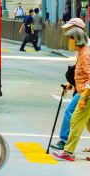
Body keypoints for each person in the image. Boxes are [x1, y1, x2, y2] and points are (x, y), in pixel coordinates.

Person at [51, 18, 90, 152]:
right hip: (82, 88)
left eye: (70, 30)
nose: (67, 34)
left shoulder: (86, 50)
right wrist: (72, 83)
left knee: (73, 117)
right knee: (87, 120)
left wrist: (84, 96)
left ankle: (66, 147)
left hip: (86, 91)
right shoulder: (80, 48)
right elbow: (81, 70)